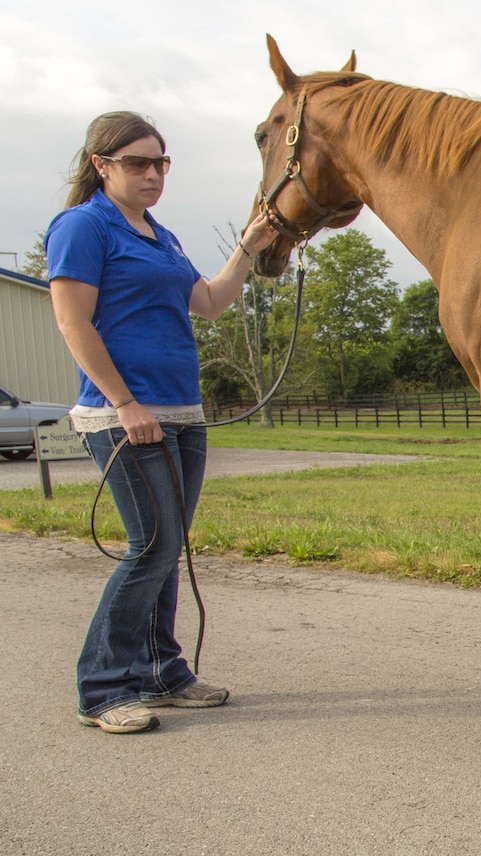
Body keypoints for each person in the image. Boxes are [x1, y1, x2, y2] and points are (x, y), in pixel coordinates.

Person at [46, 111, 277, 734]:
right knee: (150, 545)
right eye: (138, 164)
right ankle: (102, 688)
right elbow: (74, 323)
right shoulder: (82, 227)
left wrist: (248, 248)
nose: (153, 175)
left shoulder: (159, 235)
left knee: (167, 547)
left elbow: (208, 303)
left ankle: (160, 672)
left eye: (161, 163)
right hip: (124, 416)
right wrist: (125, 404)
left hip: (180, 414)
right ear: (102, 166)